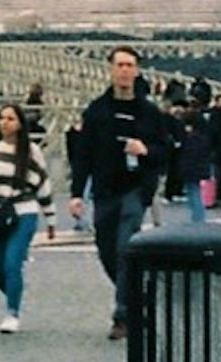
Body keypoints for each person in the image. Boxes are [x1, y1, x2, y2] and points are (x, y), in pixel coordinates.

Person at [68, 45, 173, 341]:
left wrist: (146, 150)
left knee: (125, 247)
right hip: (104, 190)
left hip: (135, 189)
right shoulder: (97, 111)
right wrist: (77, 194)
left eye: (130, 65)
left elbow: (165, 152)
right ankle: (136, 296)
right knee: (107, 251)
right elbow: (83, 155)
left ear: (137, 70)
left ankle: (123, 314)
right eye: (120, 65)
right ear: (111, 70)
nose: (125, 70)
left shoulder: (150, 113)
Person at [0, 105, 56, 334]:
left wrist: (51, 217)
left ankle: (12, 312)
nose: (5, 122)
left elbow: (43, 184)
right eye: (1, 118)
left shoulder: (31, 151)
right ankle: (14, 294)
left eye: (11, 118)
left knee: (12, 263)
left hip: (23, 210)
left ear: (20, 124)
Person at [174, 107, 213, 224]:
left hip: (191, 168)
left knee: (193, 192)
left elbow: (187, 154)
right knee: (194, 191)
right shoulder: (203, 137)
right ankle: (198, 217)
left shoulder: (190, 138)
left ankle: (198, 218)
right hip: (199, 167)